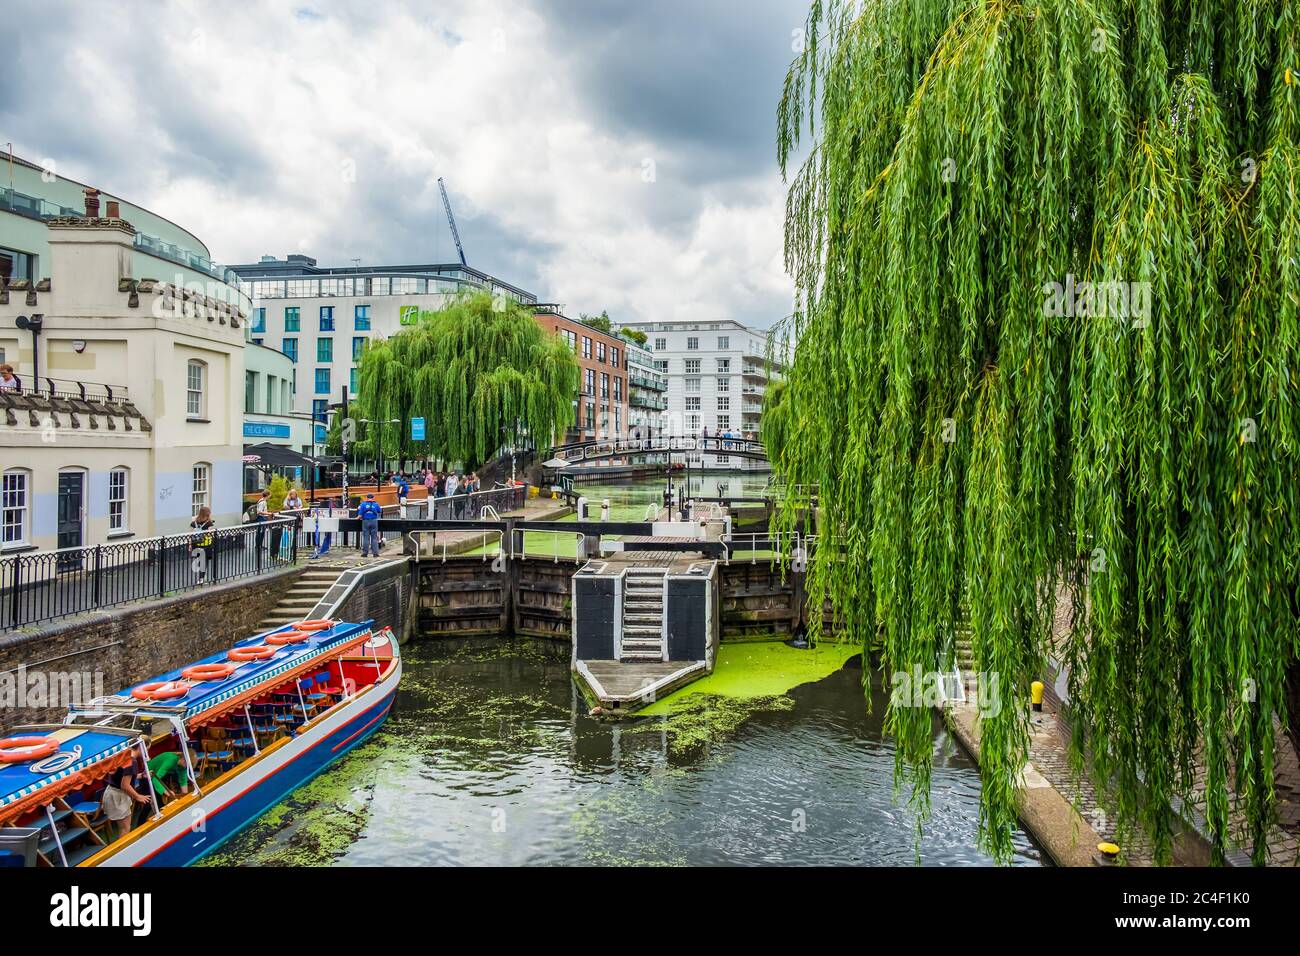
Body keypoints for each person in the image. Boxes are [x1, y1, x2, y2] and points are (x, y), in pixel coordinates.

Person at [102, 763, 151, 840]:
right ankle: (122, 849)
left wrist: (140, 775)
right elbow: (124, 785)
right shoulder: (131, 761)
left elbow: (123, 778)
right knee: (125, 828)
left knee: (126, 827)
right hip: (117, 795)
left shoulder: (125, 759)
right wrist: (138, 796)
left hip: (117, 793)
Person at [190, 506, 215, 584]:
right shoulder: (209, 523)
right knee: (204, 562)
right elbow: (211, 534)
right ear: (207, 514)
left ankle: (202, 577)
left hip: (196, 544)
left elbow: (190, 535)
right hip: (206, 545)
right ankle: (201, 579)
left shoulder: (194, 523)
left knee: (201, 561)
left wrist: (190, 545)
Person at [358, 492, 383, 558]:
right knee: (374, 538)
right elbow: (379, 511)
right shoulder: (376, 504)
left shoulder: (363, 504)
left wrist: (356, 518)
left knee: (366, 538)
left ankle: (365, 553)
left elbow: (360, 515)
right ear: (373, 498)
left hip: (365, 521)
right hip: (374, 521)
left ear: (367, 498)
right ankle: (375, 553)